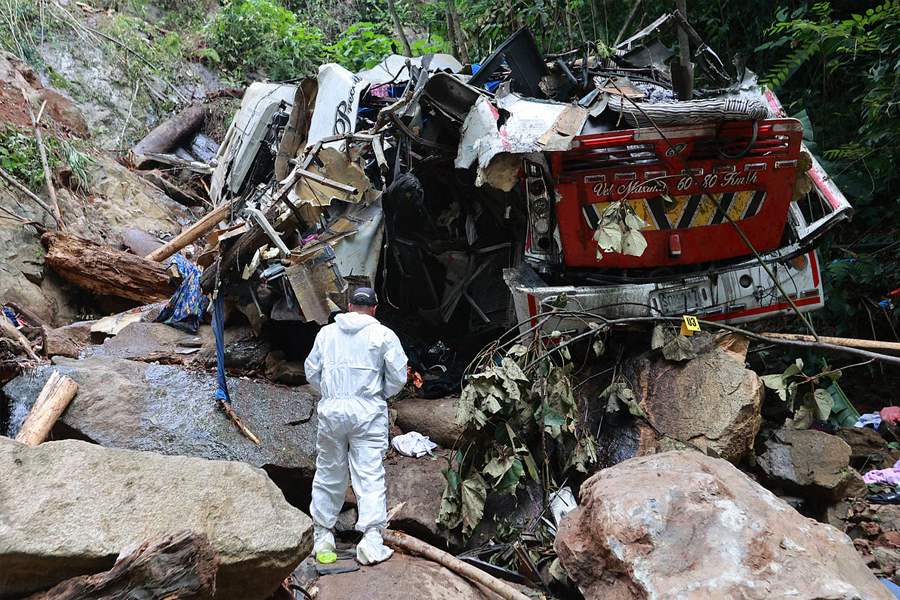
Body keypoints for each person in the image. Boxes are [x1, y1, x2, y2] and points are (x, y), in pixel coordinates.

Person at [304, 287, 408, 565]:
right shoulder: (384, 335)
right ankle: (371, 541)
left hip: (333, 409)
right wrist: (376, 394)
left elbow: (312, 372)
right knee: (370, 473)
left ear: (349, 306)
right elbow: (398, 377)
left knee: (328, 471)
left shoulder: (326, 334)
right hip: (368, 411)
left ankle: (323, 535)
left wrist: (332, 392)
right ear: (374, 309)